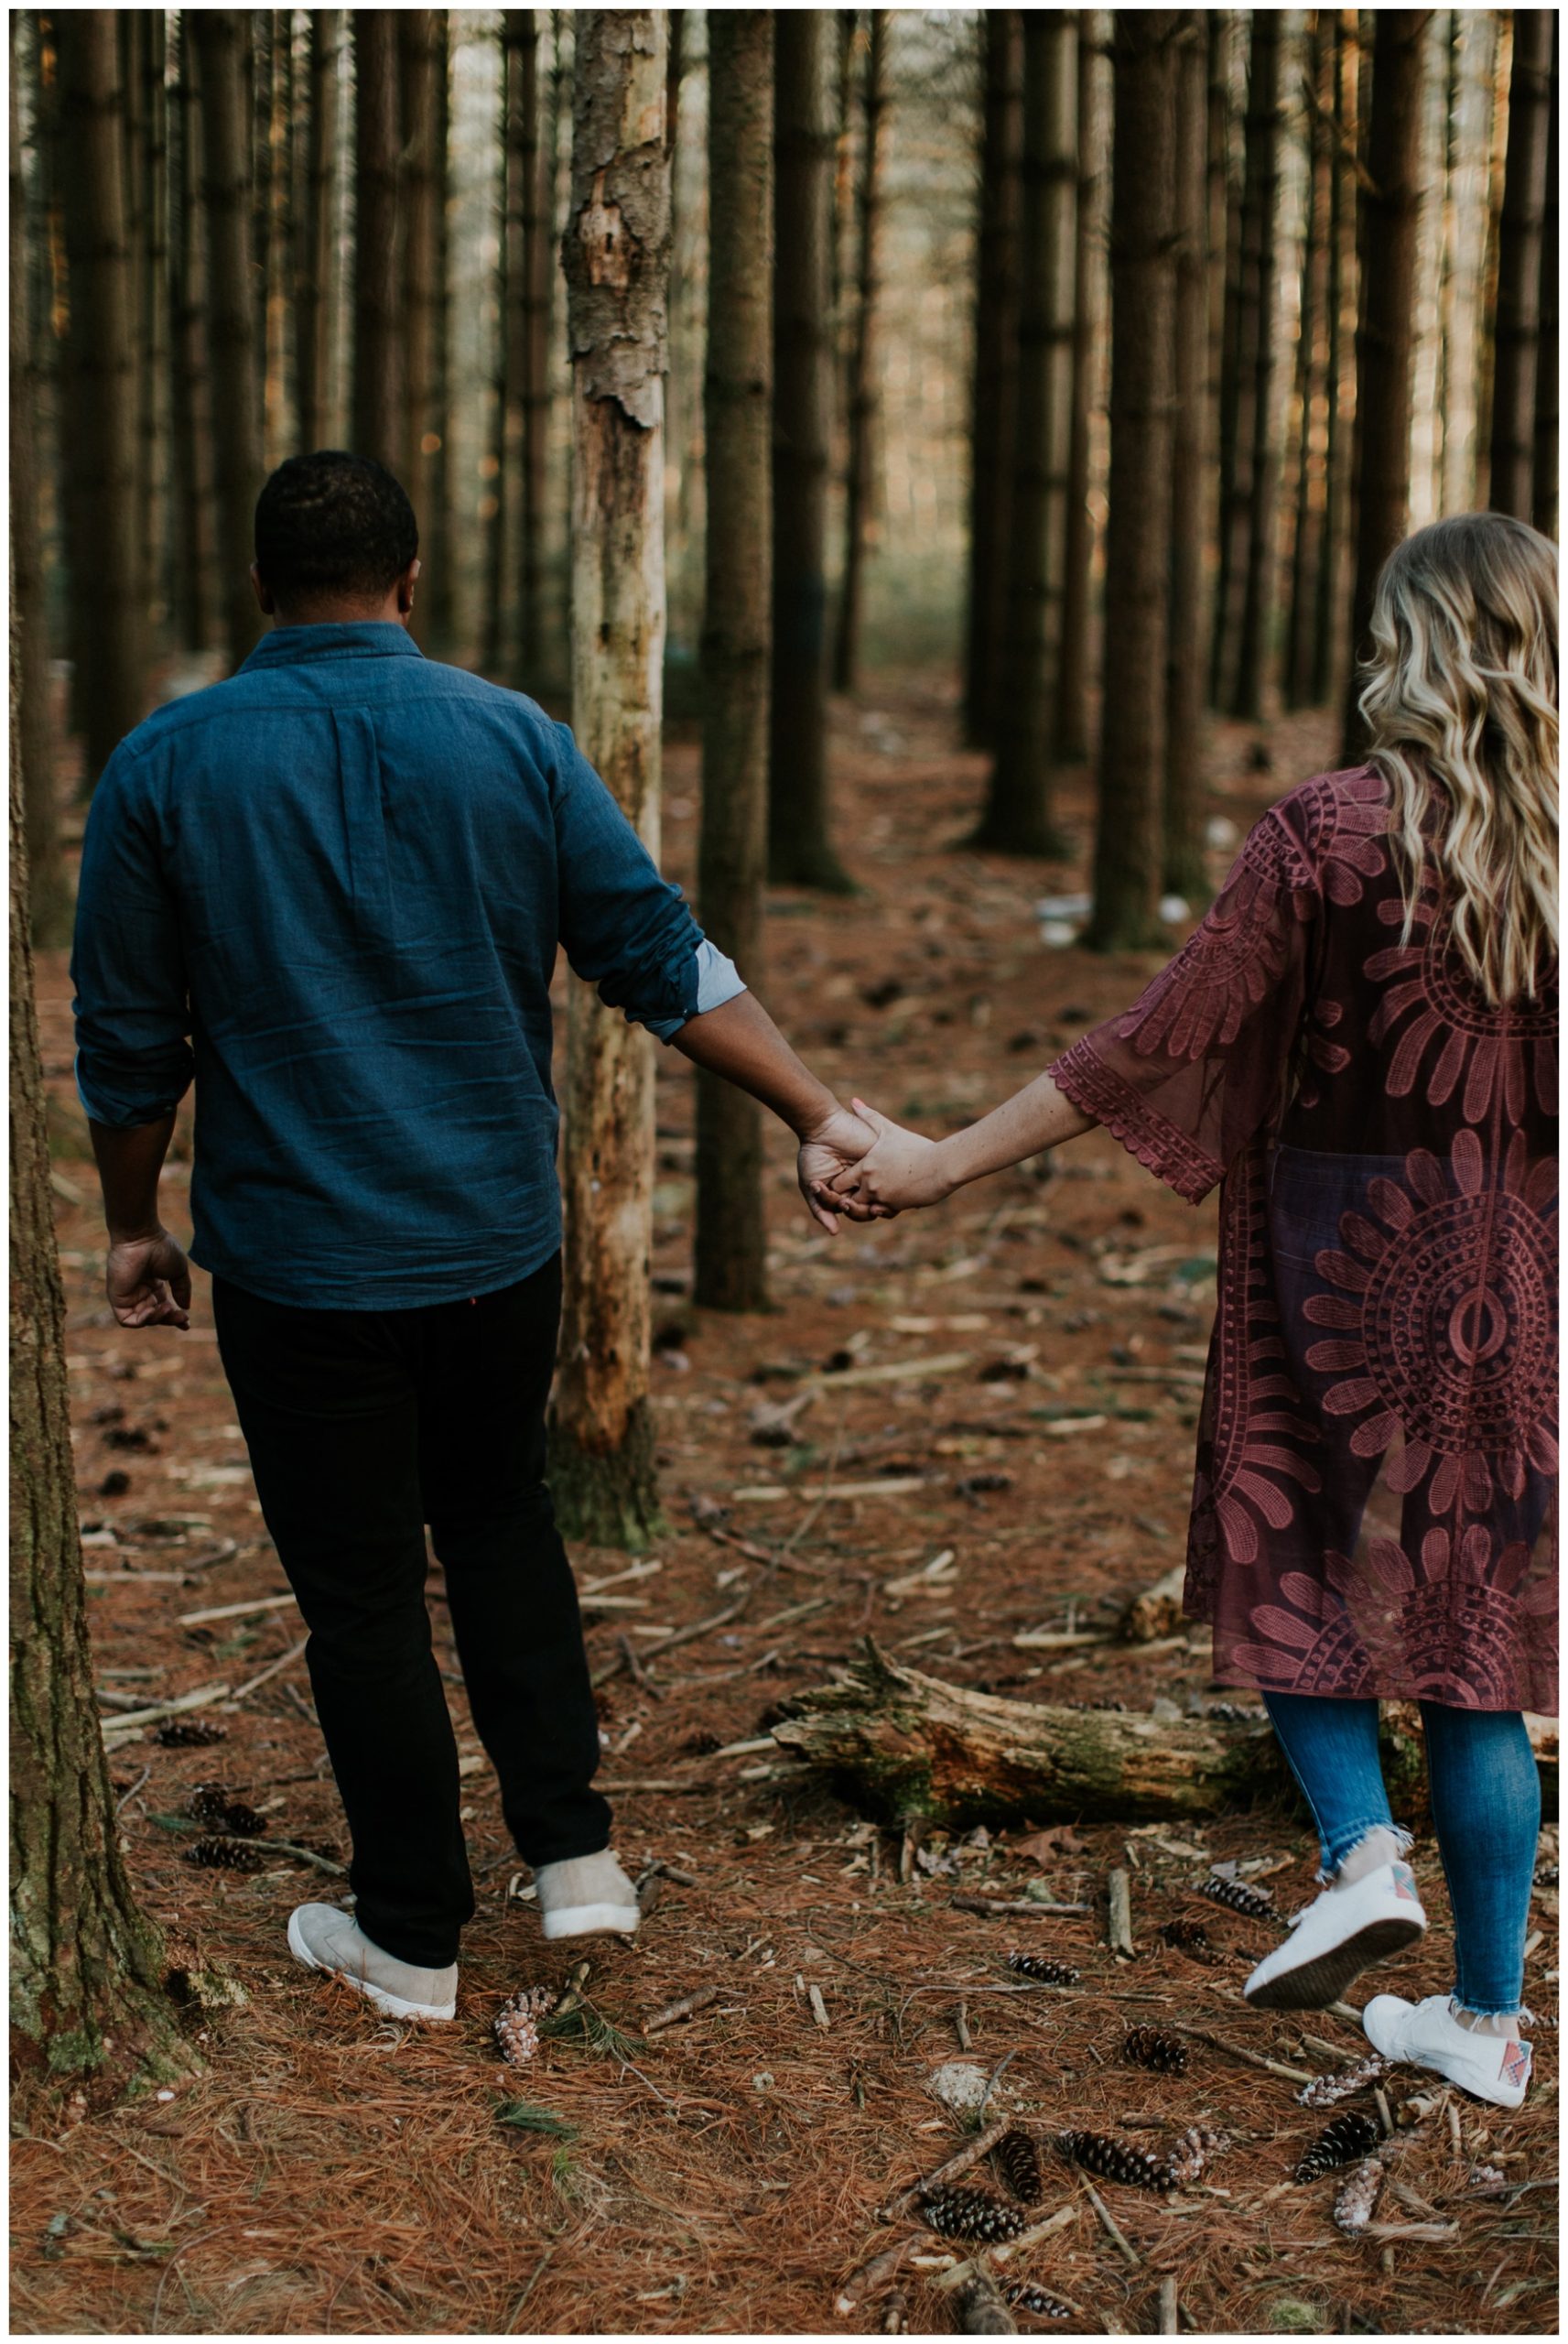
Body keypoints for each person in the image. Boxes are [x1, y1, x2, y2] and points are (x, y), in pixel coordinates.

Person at [72, 450, 876, 2024]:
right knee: (501, 1523)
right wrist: (812, 1109)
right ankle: (575, 1862)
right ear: (411, 580)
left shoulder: (167, 765)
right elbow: (654, 948)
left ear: (258, 589)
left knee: (361, 1593)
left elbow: (126, 1040)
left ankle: (412, 1937)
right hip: (498, 1242)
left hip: (299, 1264)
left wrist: (129, 1225)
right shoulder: (514, 737)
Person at [825, 514, 1557, 2111]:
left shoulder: (1327, 835)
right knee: (1473, 1639)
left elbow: (1155, 1038)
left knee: (1285, 1534)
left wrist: (939, 1163)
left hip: (1333, 1271)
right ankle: (1489, 2025)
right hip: (1511, 1299)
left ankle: (1361, 1857)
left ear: (1408, 643)